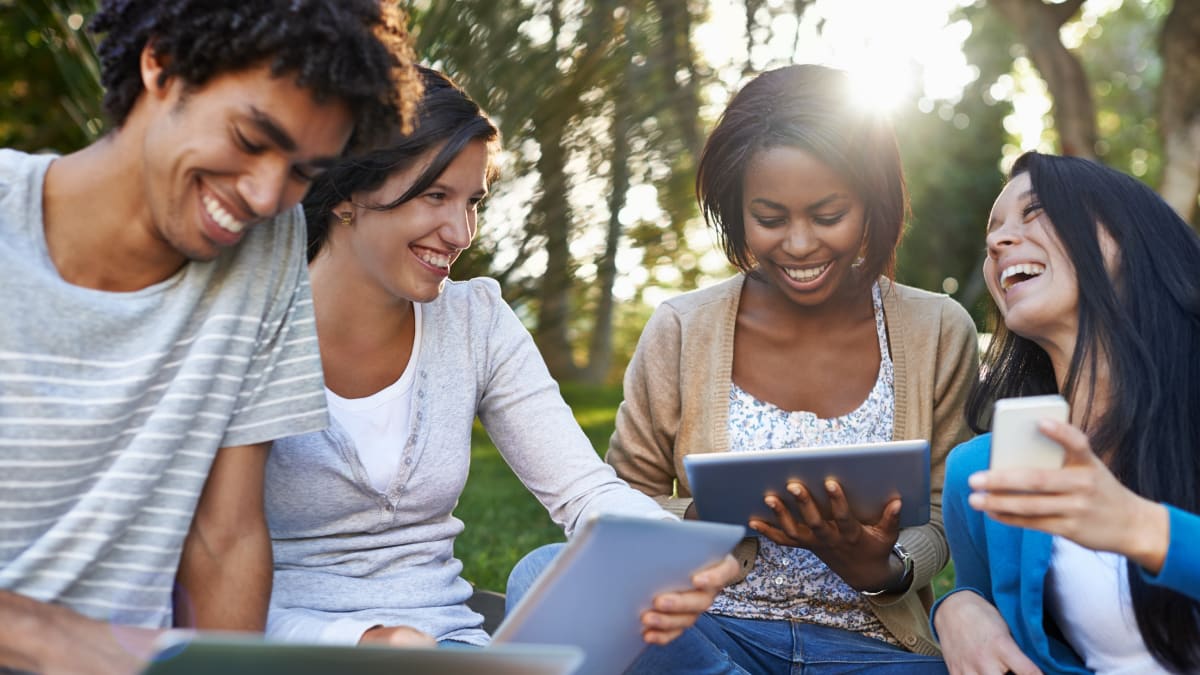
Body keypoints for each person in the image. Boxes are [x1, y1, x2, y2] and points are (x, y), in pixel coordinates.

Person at [0, 1, 419, 672]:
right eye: (252, 139)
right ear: (160, 63)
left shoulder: (266, 246)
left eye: (302, 172)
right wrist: (49, 639)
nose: (262, 194)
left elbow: (226, 536)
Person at [263, 66, 739, 650]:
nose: (461, 232)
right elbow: (202, 563)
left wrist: (674, 549)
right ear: (348, 194)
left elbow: (583, 491)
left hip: (448, 645)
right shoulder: (254, 328)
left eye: (473, 202)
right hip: (281, 644)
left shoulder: (475, 321)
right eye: (436, 195)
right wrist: (363, 641)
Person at [601, 64, 979, 673]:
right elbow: (617, 501)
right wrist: (703, 521)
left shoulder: (937, 330)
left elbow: (940, 515)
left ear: (871, 203)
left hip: (872, 653)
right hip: (713, 632)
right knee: (542, 573)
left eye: (828, 215)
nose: (799, 245)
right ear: (736, 208)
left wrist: (880, 567)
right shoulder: (681, 328)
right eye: (771, 219)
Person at [932, 152, 1200, 675]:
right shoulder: (984, 472)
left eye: (1035, 212)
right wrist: (958, 607)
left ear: (1127, 238)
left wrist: (1143, 528)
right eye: (994, 231)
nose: (998, 241)